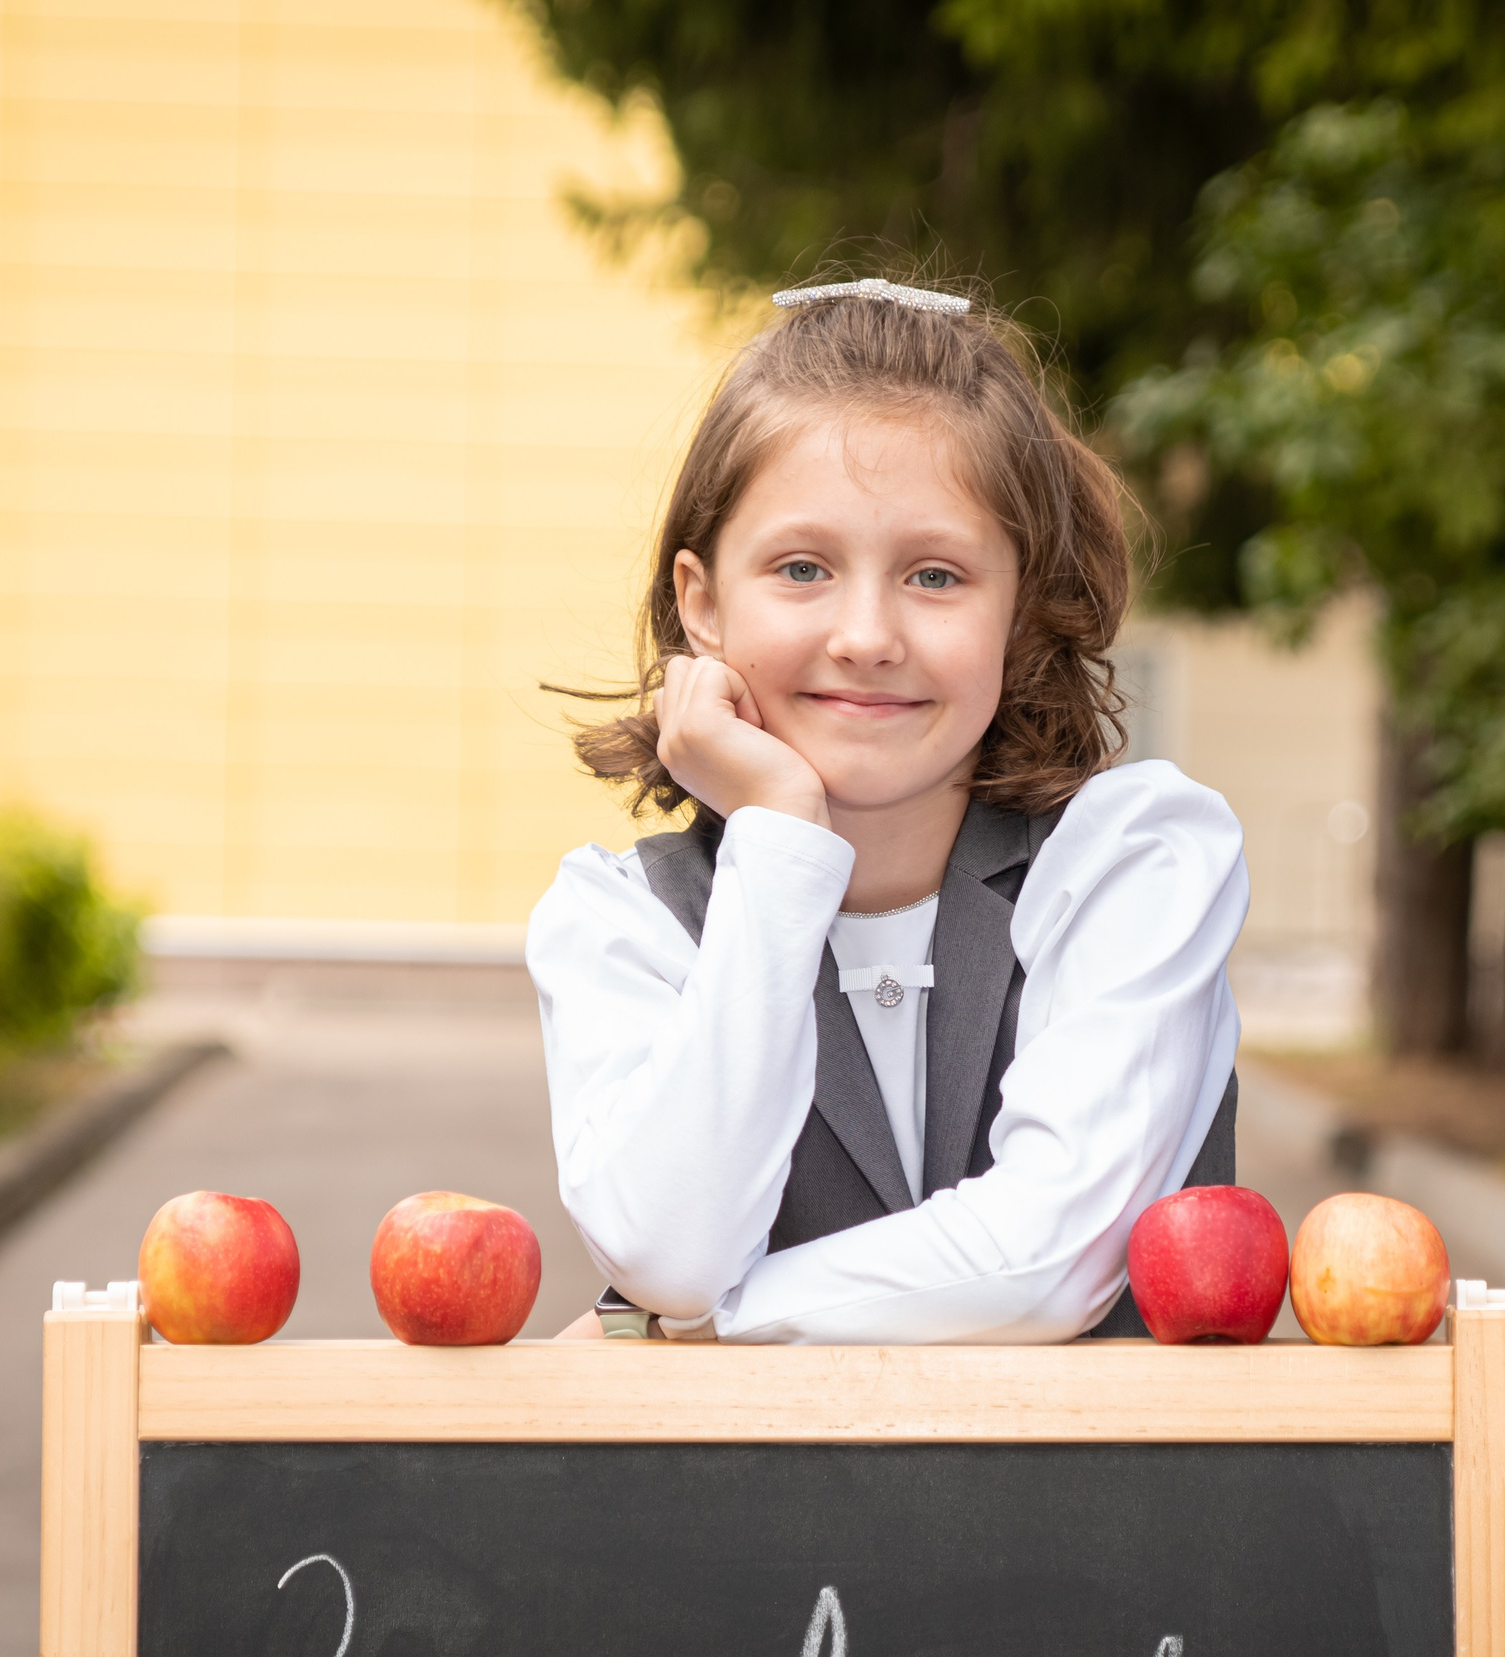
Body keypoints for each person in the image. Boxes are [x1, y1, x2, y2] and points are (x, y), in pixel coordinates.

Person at [528, 277, 1248, 1344]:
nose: (866, 634)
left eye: (936, 575)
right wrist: (776, 836)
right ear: (702, 603)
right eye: (803, 567)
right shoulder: (618, 920)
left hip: (1103, 1514)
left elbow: (1049, 1260)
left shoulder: (1134, 865)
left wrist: (690, 1334)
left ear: (1019, 609)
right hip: (743, 1519)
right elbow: (671, 1252)